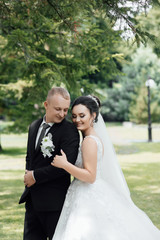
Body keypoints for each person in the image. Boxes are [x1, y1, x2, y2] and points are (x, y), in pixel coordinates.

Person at [51, 95, 160, 240]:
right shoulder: (93, 137)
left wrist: (65, 165)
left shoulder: (89, 141)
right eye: (74, 116)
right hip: (91, 190)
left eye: (82, 115)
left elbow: (90, 176)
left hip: (87, 194)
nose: (77, 120)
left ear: (93, 116)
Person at [19, 87, 80, 240]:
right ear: (46, 105)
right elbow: (30, 157)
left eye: (66, 109)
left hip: (54, 204)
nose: (62, 114)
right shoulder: (33, 126)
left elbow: (65, 167)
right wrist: (28, 173)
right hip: (32, 201)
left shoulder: (70, 131)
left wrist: (35, 176)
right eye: (58, 109)